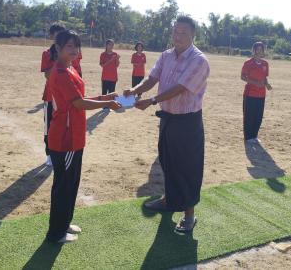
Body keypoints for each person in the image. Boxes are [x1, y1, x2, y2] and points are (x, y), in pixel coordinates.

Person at [124, 16, 210, 233]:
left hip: (187, 122)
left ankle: (189, 214)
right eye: (175, 32)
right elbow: (152, 78)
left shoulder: (199, 60)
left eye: (183, 32)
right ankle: (168, 200)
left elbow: (180, 88)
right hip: (168, 118)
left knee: (187, 167)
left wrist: (152, 100)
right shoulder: (166, 55)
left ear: (193, 35)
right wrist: (134, 90)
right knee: (167, 161)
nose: (178, 36)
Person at [46, 30, 121, 243]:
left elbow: (79, 97)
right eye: (69, 46)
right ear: (58, 48)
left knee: (71, 184)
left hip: (74, 136)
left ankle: (64, 223)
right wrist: (108, 103)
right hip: (65, 139)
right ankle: (56, 233)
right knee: (63, 187)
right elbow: (78, 103)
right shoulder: (60, 72)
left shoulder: (70, 69)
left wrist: (104, 97)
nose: (74, 50)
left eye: (76, 46)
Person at [41, 24, 66, 166]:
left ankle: (61, 152)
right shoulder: (47, 53)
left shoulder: (69, 52)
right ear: (52, 36)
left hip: (65, 96)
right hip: (50, 96)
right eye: (57, 34)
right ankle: (49, 154)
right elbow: (47, 75)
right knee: (49, 127)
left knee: (64, 126)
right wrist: (58, 60)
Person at [241, 42, 272, 144]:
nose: (259, 52)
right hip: (250, 94)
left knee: (258, 117)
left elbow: (264, 77)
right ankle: (248, 137)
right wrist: (255, 83)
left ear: (263, 51)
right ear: (253, 50)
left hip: (261, 95)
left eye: (261, 49)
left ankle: (254, 136)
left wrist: (267, 84)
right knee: (249, 116)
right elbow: (242, 77)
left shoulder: (265, 64)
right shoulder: (248, 63)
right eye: (257, 49)